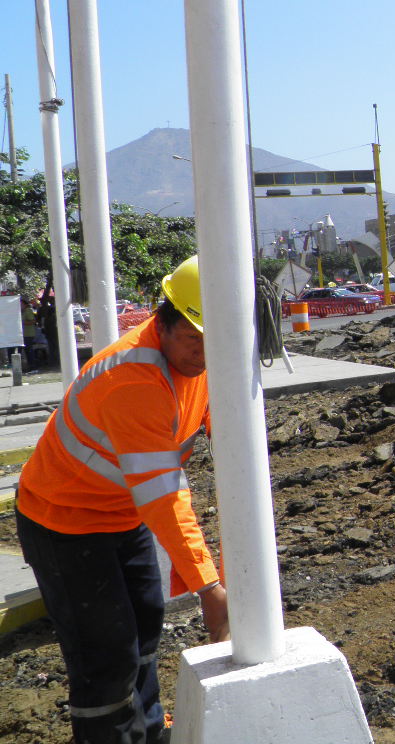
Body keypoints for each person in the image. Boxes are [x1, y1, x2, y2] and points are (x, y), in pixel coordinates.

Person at [15, 255, 227, 744]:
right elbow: (164, 495)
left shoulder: (202, 364)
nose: (204, 353)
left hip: (120, 513)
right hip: (63, 523)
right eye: (194, 339)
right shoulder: (133, 380)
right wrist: (208, 588)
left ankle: (148, 731)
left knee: (145, 624)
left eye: (213, 339)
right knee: (105, 652)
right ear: (164, 322)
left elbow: (222, 429)